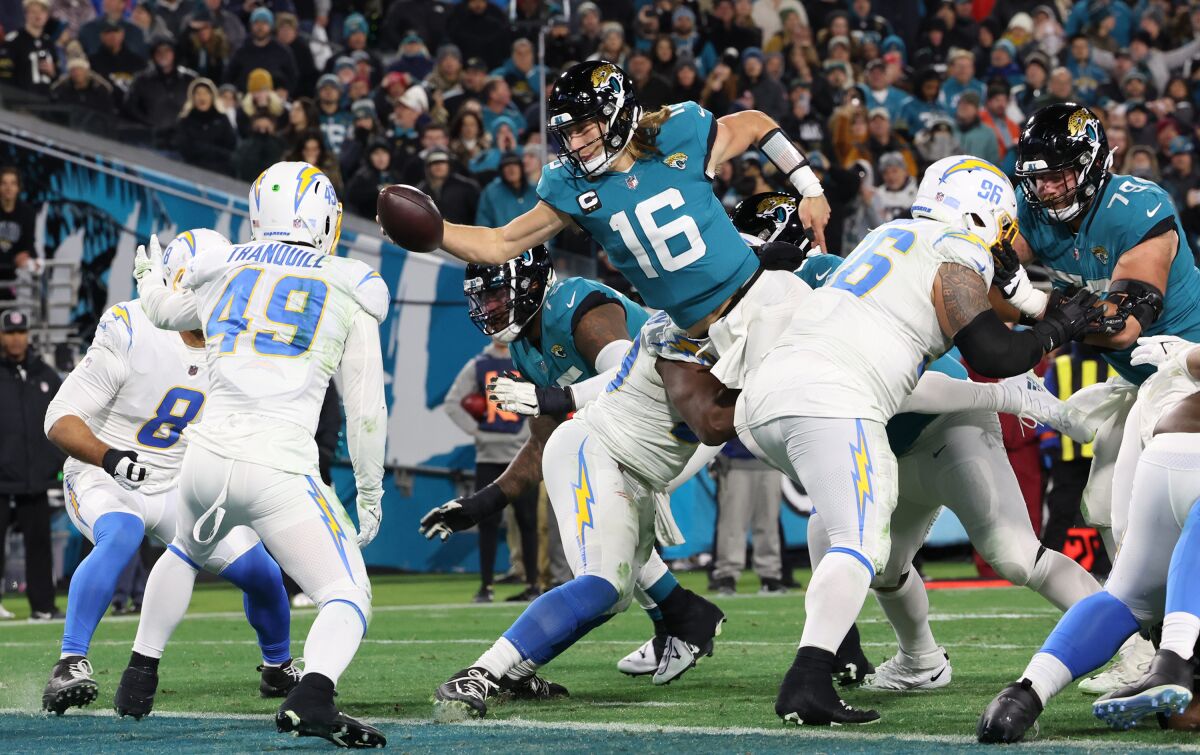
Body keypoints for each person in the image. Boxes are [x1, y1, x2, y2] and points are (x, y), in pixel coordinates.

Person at [735, 156, 1105, 725]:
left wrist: (1044, 310)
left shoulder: (885, 235)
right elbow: (991, 354)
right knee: (859, 543)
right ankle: (816, 675)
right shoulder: (956, 248)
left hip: (769, 404)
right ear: (982, 212)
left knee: (864, 538)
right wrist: (1057, 329)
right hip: (845, 400)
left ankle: (1119, 645)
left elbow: (993, 318)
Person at [400, 59, 832, 429]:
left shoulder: (677, 133)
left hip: (758, 302)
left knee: (813, 404)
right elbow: (499, 243)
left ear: (617, 112)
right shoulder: (570, 187)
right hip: (694, 337)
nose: (575, 144)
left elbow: (755, 124)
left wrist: (809, 187)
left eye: (584, 128)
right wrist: (436, 233)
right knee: (717, 424)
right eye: (567, 134)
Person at [122, 161, 389, 747]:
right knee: (348, 595)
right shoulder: (351, 282)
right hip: (279, 466)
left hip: (205, 458)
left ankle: (140, 670)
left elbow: (164, 312)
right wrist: (370, 491)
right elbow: (367, 408)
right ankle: (314, 695)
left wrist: (146, 276)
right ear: (322, 215)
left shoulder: (225, 267)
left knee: (186, 550)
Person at [419, 246, 724, 686]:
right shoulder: (527, 343)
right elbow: (543, 444)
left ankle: (491, 671)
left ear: (530, 285)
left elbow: (625, 374)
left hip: (660, 437)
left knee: (605, 580)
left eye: (497, 295)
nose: (490, 309)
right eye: (483, 300)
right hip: (625, 442)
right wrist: (482, 504)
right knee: (609, 580)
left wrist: (556, 398)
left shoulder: (578, 308)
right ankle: (680, 617)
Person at [40, 230, 296, 715]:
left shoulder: (240, 342)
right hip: (106, 473)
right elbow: (60, 418)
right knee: (121, 533)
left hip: (183, 482)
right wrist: (111, 457)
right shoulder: (133, 328)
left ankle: (277, 667)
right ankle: (69, 663)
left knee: (263, 572)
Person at [991, 103, 1200, 695]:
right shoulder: (1029, 207)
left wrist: (1031, 303)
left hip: (1185, 374)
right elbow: (988, 277)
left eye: (1061, 173)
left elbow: (1125, 324)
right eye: (1039, 175)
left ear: (1092, 165)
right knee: (1109, 506)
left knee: (1141, 510)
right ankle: (1150, 654)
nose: (1048, 188)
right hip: (1136, 385)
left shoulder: (1137, 208)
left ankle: (1174, 653)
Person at [978, 337, 1200, 741]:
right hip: (1172, 447)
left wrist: (1182, 355)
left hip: (1161, 451)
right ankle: (1174, 662)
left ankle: (1023, 695)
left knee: (1124, 598)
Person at [441, 339, 539, 603]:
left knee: (527, 521)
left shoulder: (524, 358)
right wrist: (479, 432)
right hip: (493, 455)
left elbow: (541, 396)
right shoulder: (481, 364)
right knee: (489, 521)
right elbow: (452, 403)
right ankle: (488, 586)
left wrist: (522, 432)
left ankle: (530, 584)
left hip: (522, 454)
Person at [0, 308, 64, 621]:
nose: (15, 338)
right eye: (10, 332)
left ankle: (42, 605)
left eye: (20, 332)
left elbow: (63, 419)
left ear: (27, 335)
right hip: (2, 478)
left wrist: (51, 464)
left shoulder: (45, 375)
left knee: (39, 543)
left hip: (35, 478)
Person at [709, 439, 786, 595]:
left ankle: (770, 574)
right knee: (732, 524)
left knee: (769, 523)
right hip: (735, 461)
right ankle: (727, 575)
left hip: (770, 461)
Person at [224, 7, 297, 97]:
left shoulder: (283, 51)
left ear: (271, 26)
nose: (260, 27)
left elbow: (293, 77)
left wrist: (285, 91)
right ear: (251, 25)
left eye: (264, 23)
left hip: (275, 102)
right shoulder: (241, 51)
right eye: (256, 23)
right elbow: (228, 77)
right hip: (246, 101)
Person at [175, 77, 237, 176]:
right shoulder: (185, 120)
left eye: (206, 93)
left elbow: (231, 147)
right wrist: (213, 150)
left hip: (220, 172)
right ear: (192, 97)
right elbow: (185, 148)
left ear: (212, 96)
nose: (201, 97)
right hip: (191, 171)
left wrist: (203, 149)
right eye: (198, 93)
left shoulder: (222, 119)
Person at [0, 167, 38, 302]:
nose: (8, 188)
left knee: (32, 267)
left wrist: (26, 255)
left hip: (16, 271)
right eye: (4, 183)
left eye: (12, 183)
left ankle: (28, 317)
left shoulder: (27, 213)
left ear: (18, 188)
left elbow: (29, 244)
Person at [5, 0, 58, 95]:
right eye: (33, 11)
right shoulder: (13, 40)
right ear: (26, 14)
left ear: (47, 15)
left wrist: (53, 72)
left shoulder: (49, 42)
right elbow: (5, 77)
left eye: (42, 11)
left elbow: (58, 77)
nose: (38, 15)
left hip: (46, 104)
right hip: (19, 103)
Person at [475, 152, 537, 229]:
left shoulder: (536, 190)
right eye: (506, 165)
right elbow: (483, 224)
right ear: (501, 171)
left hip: (537, 240)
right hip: (502, 240)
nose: (511, 169)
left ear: (521, 168)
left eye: (515, 164)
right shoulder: (491, 192)